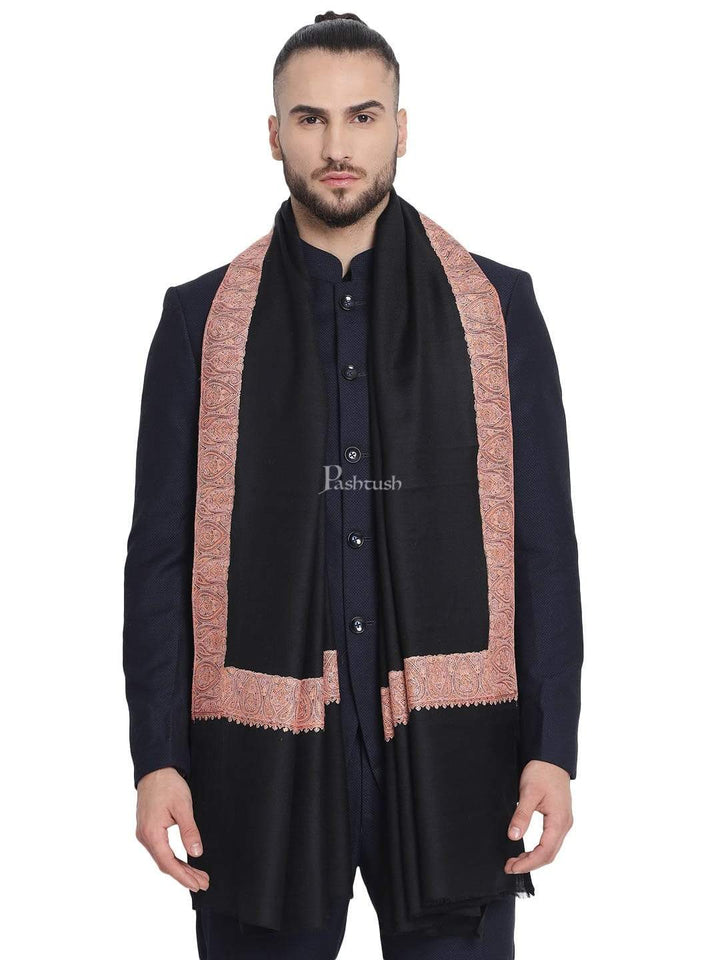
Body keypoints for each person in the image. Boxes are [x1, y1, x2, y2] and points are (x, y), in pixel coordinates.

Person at [123, 12, 584, 960]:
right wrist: (157, 756)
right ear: (274, 133)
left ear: (401, 128)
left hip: (457, 753)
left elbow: (541, 543)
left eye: (363, 116)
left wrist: (553, 743)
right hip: (259, 759)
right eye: (311, 118)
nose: (337, 147)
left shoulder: (499, 307)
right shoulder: (201, 321)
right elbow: (160, 556)